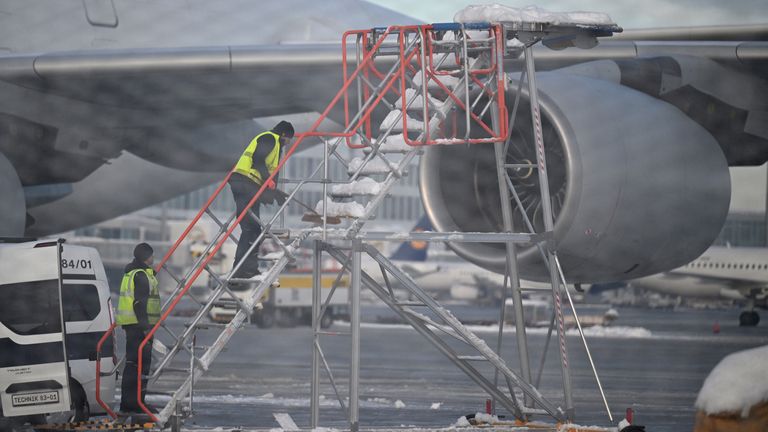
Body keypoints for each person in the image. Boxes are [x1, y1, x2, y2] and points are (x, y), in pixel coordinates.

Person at [229, 120, 293, 277]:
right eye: (288, 139)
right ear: (284, 135)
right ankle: (242, 270)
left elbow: (261, 178)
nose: (287, 143)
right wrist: (268, 180)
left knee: (252, 229)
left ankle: (244, 269)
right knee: (251, 229)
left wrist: (274, 194)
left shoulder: (272, 141)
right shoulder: (270, 138)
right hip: (245, 183)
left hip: (246, 184)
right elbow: (258, 161)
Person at [116, 242, 161, 413]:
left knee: (133, 364)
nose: (153, 257)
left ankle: (129, 403)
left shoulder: (134, 273)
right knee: (141, 365)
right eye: (151, 255)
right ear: (146, 257)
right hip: (140, 327)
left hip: (132, 326)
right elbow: (139, 303)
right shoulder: (141, 275)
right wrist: (146, 328)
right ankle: (137, 403)